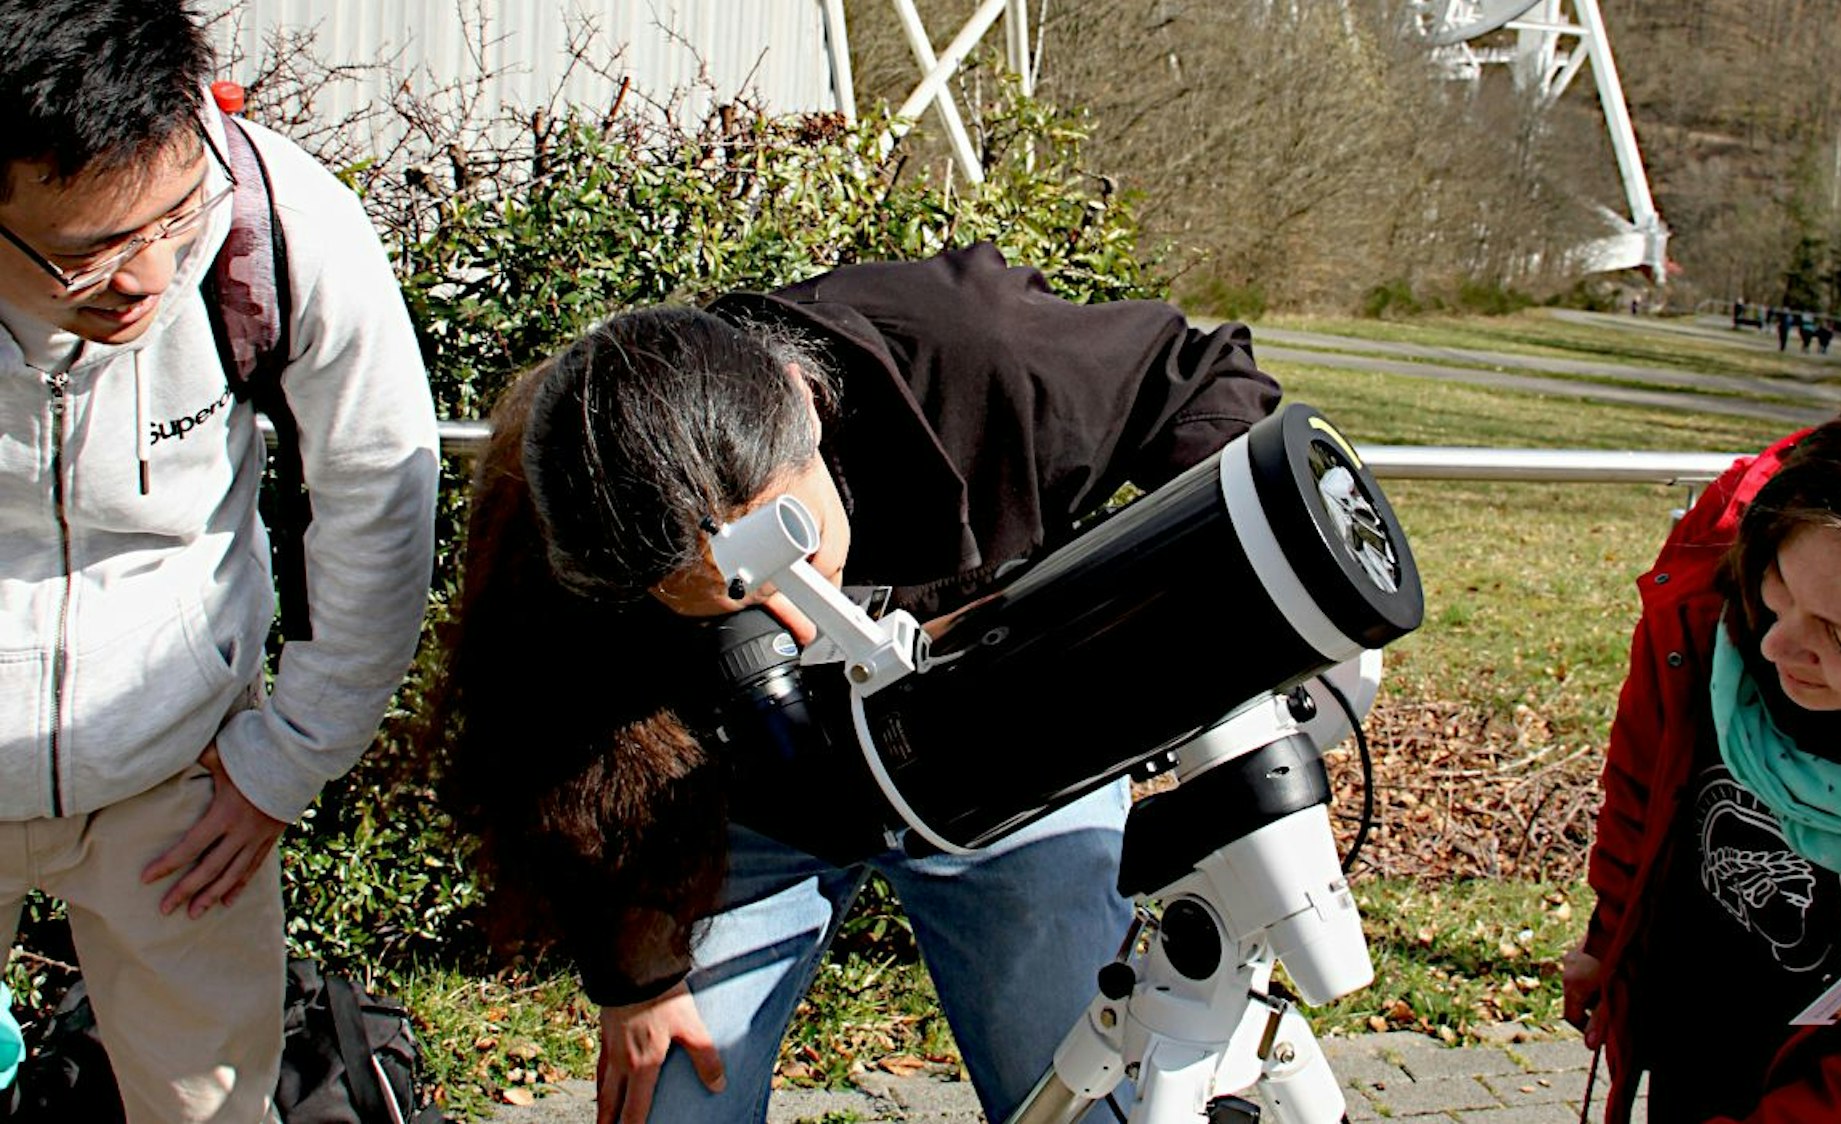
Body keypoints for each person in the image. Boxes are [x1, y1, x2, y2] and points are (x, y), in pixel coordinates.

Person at [428, 240, 1284, 1124]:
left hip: (1004, 760)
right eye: (729, 607)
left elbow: (1208, 385)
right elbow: (554, 744)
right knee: (675, 1104)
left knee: (1088, 1098)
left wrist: (1116, 608)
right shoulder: (595, 490)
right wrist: (635, 975)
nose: (793, 628)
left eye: (795, 562)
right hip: (754, 798)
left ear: (802, 403)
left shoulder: (977, 353)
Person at [0, 3, 440, 1121]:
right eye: (87, 254)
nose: (144, 275)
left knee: (210, 1104)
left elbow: (379, 489)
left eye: (170, 219)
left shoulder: (275, 218)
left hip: (179, 764)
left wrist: (286, 758)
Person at [1561, 366, 1841, 1122]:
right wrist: (1612, 937)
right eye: (1781, 589)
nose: (1777, 647)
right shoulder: (1711, 595)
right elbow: (1643, 777)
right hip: (1696, 1044)